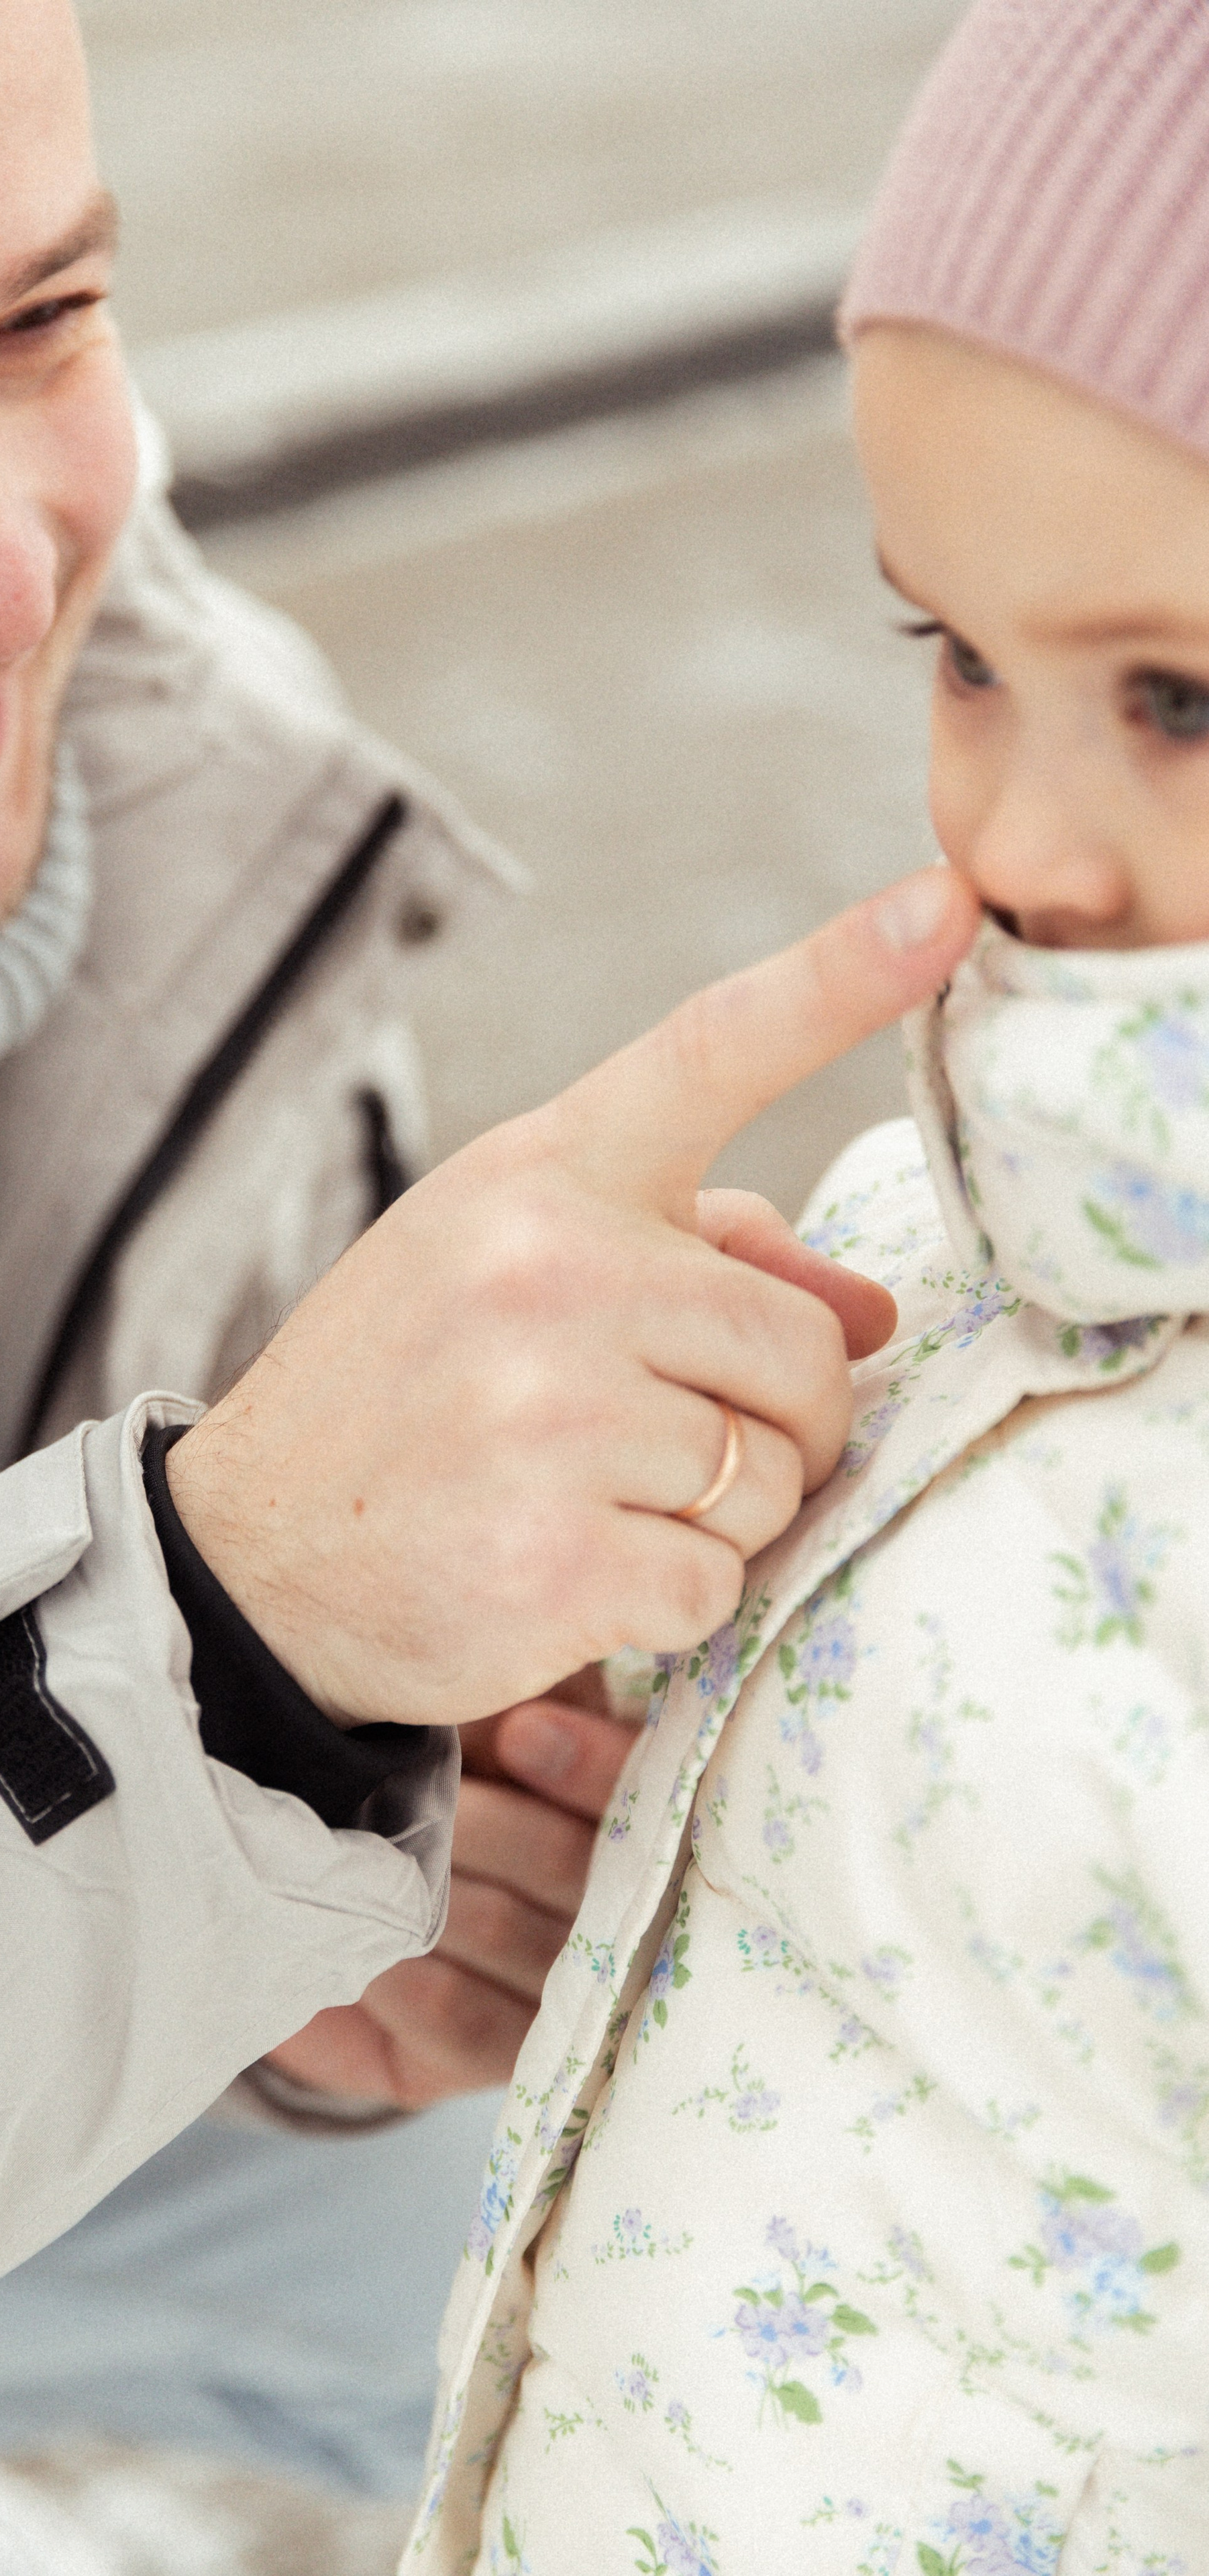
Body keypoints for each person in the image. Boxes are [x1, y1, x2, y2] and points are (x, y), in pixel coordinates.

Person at [0, 0, 978, 2566]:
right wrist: (221, 1633)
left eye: (43, 321)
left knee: (804, 2219)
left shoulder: (194, 770)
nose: (4, 569)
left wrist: (316, 1880)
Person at [410, 5, 1209, 2569]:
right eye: (957, 659)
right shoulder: (946, 1217)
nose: (1023, 835)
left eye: (1177, 702)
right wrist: (597, 1629)